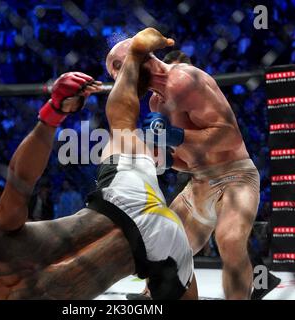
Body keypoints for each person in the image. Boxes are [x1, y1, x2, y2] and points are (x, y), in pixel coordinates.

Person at [0, 29, 197, 300]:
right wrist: (51, 115)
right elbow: (20, 180)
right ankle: (132, 58)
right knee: (122, 127)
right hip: (126, 200)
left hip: (159, 254)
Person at [106, 35, 261, 299]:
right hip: (198, 184)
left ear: (139, 61)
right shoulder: (156, 102)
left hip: (236, 176)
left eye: (121, 71)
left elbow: (230, 137)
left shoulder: (186, 80)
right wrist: (158, 153)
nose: (120, 82)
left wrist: (175, 135)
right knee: (157, 245)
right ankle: (150, 296)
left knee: (230, 239)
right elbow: (184, 161)